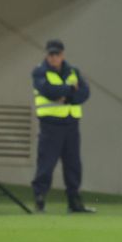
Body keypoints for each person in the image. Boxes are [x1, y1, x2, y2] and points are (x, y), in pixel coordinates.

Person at [31, 40, 93, 213]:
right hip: (50, 124)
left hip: (71, 124)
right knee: (46, 163)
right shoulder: (39, 72)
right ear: (46, 55)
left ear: (62, 55)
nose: (53, 58)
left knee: (73, 164)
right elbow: (49, 91)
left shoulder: (73, 71)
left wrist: (67, 96)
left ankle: (74, 201)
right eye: (51, 54)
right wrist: (70, 89)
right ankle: (40, 198)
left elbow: (85, 93)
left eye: (57, 54)